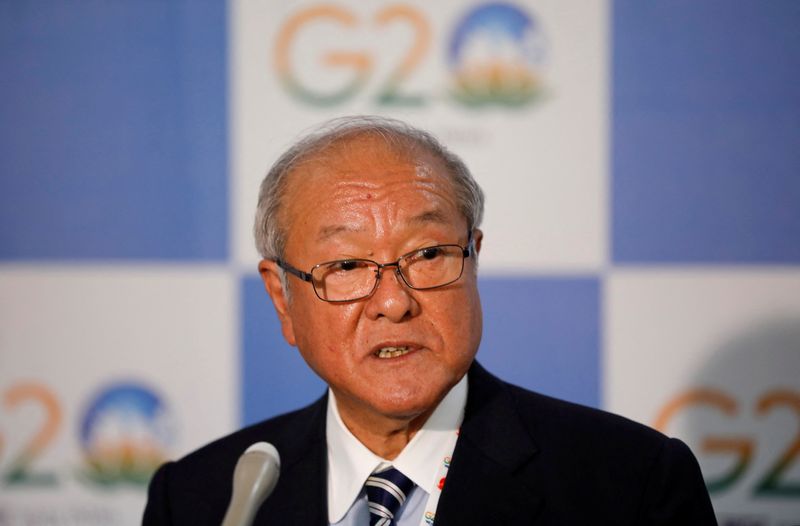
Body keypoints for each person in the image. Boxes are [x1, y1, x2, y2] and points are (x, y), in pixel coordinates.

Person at [143, 116, 717, 525]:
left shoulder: (629, 485)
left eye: (427, 255)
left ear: (474, 258)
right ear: (282, 299)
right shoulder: (201, 498)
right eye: (346, 265)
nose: (394, 302)